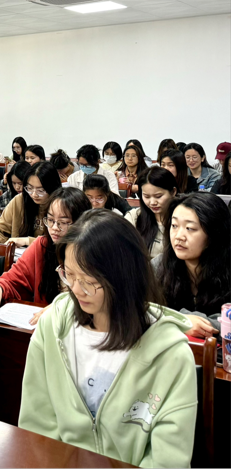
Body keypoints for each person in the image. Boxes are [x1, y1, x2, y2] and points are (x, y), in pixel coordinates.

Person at [18, 210, 196, 469]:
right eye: (69, 275)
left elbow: (168, 460)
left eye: (89, 281)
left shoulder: (170, 354)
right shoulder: (53, 326)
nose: (76, 290)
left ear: (123, 277)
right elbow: (37, 426)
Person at [0, 187, 91, 311]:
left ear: (81, 223)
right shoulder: (42, 246)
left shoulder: (92, 252)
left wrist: (53, 311)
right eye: (50, 220)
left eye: (63, 222)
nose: (54, 228)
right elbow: (13, 279)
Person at [158, 193, 231, 337]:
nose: (178, 236)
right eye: (174, 226)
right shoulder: (159, 265)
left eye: (190, 228)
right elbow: (142, 311)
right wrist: (181, 320)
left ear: (214, 233)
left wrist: (180, 319)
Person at [0, 161, 60, 246]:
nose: (34, 194)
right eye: (29, 188)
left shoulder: (62, 206)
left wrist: (27, 241)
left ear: (53, 188)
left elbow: (62, 242)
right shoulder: (19, 200)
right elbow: (0, 229)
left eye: (40, 190)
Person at [125, 167, 177, 259]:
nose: (152, 202)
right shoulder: (134, 217)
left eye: (158, 196)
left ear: (173, 192)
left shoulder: (183, 219)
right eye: (146, 196)